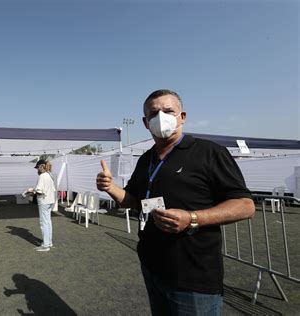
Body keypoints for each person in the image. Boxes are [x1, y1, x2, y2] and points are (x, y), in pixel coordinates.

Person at [96, 89, 255, 315]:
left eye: (168, 110)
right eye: (153, 113)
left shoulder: (208, 152)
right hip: (153, 267)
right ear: (145, 122)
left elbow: (245, 205)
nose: (161, 117)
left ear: (182, 116)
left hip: (194, 276)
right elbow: (133, 201)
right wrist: (110, 188)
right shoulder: (146, 159)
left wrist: (192, 218)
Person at [26, 160, 56, 252]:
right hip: (50, 200)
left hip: (44, 201)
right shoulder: (50, 175)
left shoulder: (42, 176)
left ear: (41, 167)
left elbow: (39, 191)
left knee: (44, 223)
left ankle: (46, 245)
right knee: (48, 222)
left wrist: (30, 191)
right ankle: (49, 242)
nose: (37, 170)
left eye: (37, 168)